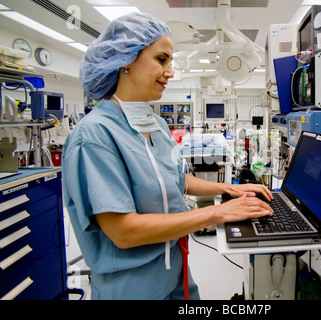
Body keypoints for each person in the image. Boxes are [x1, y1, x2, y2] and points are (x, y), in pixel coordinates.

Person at [62, 12, 273, 300]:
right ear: (124, 59)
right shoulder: (94, 135)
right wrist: (216, 212)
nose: (170, 71)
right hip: (131, 286)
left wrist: (228, 188)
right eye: (161, 60)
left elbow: (174, 178)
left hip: (174, 269)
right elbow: (123, 232)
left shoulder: (155, 123)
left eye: (170, 61)